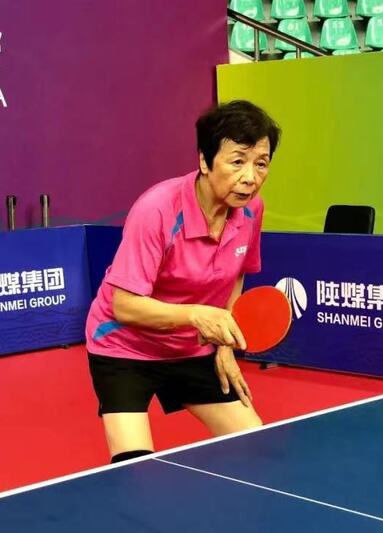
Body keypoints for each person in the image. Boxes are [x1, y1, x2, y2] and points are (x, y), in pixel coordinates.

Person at [85, 100, 281, 463]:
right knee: (133, 467)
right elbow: (123, 305)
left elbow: (236, 273)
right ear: (205, 161)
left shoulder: (252, 210)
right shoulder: (157, 209)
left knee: (254, 446)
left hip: (191, 348)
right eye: (237, 161)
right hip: (125, 347)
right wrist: (196, 315)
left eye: (261, 163)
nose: (250, 177)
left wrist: (223, 346)